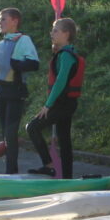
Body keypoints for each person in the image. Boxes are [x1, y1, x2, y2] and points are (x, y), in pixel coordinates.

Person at [27, 18, 84, 177]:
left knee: (32, 127)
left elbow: (61, 81)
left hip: (62, 104)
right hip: (66, 103)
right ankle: (67, 177)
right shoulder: (63, 53)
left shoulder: (66, 55)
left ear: (66, 34)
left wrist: (47, 105)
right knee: (64, 141)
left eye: (55, 30)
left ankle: (49, 165)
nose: (51, 33)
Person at [0, 7, 39, 173]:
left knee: (10, 133)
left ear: (15, 21)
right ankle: (9, 169)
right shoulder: (0, 43)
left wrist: (17, 65)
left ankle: (11, 171)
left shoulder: (23, 40)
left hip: (15, 91)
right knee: (5, 133)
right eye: (0, 19)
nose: (0, 22)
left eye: (3, 19)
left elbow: (34, 63)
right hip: (0, 92)